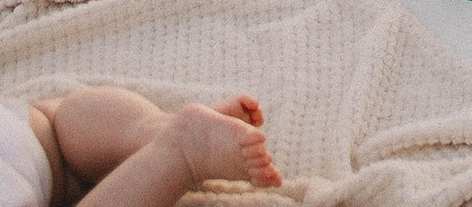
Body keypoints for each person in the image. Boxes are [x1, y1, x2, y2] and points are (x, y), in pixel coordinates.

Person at [3, 89, 280, 207]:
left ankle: (179, 151)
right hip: (23, 125)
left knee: (55, 125)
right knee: (60, 116)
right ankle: (158, 130)